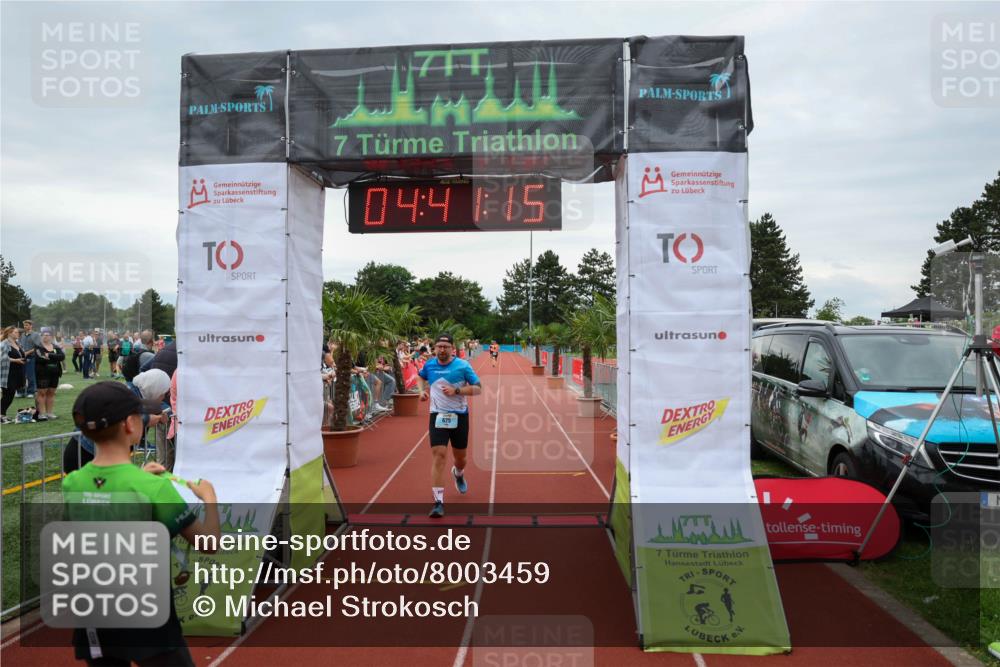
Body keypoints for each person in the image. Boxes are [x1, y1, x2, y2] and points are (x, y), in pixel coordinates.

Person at [61, 381, 220, 667]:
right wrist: (209, 498)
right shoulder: (154, 488)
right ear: (129, 424)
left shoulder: (73, 482)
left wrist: (138, 477)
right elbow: (208, 544)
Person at [417, 333, 482, 518]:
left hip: (459, 416)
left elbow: (478, 388)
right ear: (435, 348)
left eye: (446, 347)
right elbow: (420, 377)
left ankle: (458, 473)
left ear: (453, 349)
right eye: (439, 346)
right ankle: (438, 502)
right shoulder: (429, 365)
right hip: (437, 416)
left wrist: (457, 390)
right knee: (439, 455)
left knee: (460, 458)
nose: (442, 350)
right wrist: (421, 391)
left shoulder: (463, 366)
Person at [33, 329, 65, 421]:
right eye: (43, 335)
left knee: (51, 393)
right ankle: (41, 414)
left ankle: (49, 413)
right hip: (42, 373)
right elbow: (40, 358)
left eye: (47, 335)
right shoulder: (38, 347)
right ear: (41, 336)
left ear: (51, 337)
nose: (45, 336)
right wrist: (54, 357)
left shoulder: (55, 347)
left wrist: (49, 355)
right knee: (42, 393)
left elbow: (62, 357)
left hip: (55, 373)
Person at [1, 327, 26, 424]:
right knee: (7, 395)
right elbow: (2, 358)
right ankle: (1, 416)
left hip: (17, 372)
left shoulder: (17, 343)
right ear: (9, 333)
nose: (18, 334)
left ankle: (3, 415)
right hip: (7, 373)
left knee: (11, 395)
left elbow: (21, 354)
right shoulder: (4, 344)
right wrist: (15, 360)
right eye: (16, 332)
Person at [20, 319, 41, 398]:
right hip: (22, 357)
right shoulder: (22, 335)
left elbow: (37, 347)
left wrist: (28, 352)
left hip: (31, 357)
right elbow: (20, 345)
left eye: (27, 325)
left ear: (31, 326)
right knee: (22, 375)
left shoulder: (36, 335)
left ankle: (31, 392)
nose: (25, 326)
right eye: (24, 325)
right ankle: (21, 392)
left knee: (30, 375)